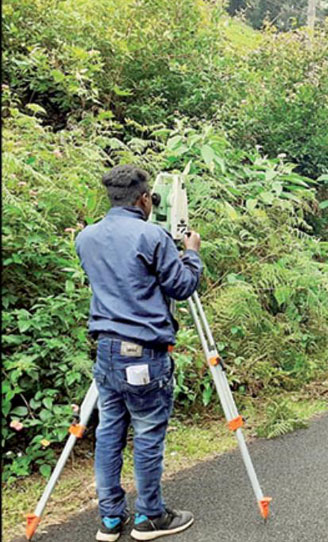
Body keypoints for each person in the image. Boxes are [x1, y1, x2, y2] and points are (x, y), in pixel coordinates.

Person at [75, 165, 202, 542]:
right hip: (144, 353)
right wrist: (191, 253)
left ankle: (111, 520)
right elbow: (181, 287)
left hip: (107, 352)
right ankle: (150, 517)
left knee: (110, 433)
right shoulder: (153, 236)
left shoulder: (86, 237)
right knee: (147, 434)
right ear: (145, 198)